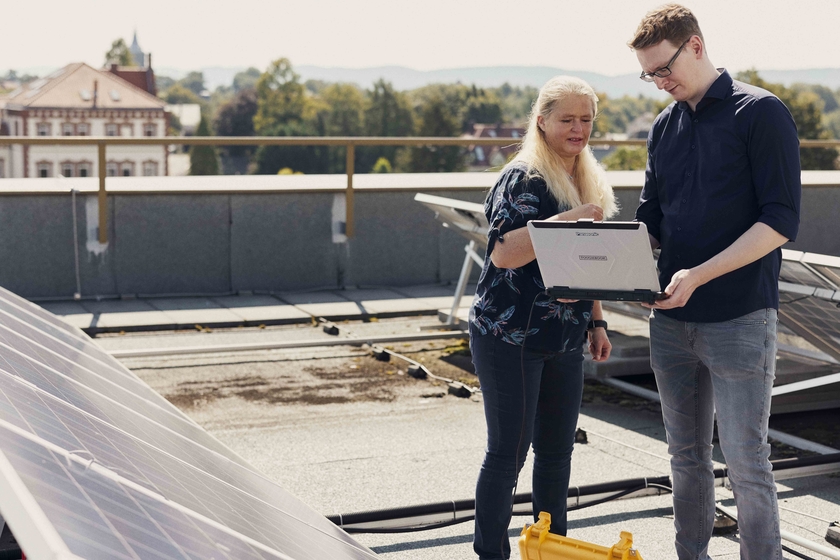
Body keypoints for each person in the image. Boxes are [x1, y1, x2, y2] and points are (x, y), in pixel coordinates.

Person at [628, 5, 801, 559]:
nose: (660, 82)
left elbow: (779, 223)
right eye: (650, 75)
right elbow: (652, 220)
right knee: (684, 456)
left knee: (747, 462)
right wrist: (602, 252)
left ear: (696, 46)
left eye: (665, 68)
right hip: (670, 321)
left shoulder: (762, 112)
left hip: (740, 317)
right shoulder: (664, 125)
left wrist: (698, 276)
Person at [469, 75, 618, 560]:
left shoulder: (586, 176)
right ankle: (491, 553)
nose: (578, 128)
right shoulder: (524, 176)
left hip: (564, 337)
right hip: (508, 335)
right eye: (567, 119)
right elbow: (504, 254)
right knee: (509, 454)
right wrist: (565, 222)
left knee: (556, 455)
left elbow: (590, 260)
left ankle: (552, 551)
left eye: (586, 119)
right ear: (542, 121)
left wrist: (597, 321)